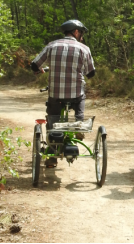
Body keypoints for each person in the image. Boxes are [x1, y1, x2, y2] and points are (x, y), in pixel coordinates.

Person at [31, 19, 96, 167]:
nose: (82, 37)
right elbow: (91, 73)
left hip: (55, 94)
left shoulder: (51, 46)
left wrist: (38, 70)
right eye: (82, 34)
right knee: (80, 98)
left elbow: (34, 64)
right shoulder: (84, 49)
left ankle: (52, 153)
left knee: (53, 118)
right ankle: (79, 124)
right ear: (76, 32)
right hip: (75, 95)